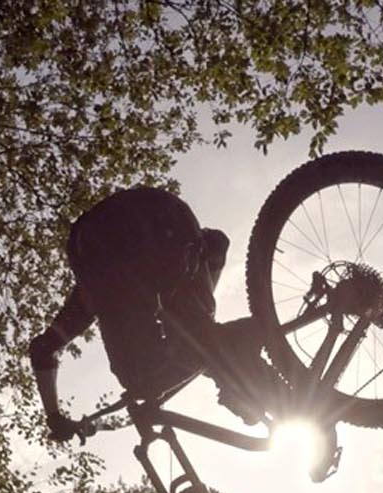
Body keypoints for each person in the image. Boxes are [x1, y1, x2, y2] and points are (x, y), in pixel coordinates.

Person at [28, 186, 281, 441]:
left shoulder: (96, 293)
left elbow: (43, 350)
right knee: (197, 335)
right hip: (169, 221)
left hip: (109, 242)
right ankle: (233, 351)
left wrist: (54, 417)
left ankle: (236, 346)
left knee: (142, 381)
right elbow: (217, 242)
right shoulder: (99, 295)